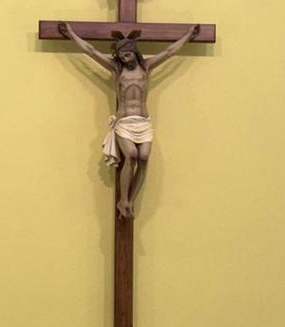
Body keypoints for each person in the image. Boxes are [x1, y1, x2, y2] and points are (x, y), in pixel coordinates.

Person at [57, 22, 200, 220]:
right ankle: (123, 199)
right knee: (131, 155)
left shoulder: (146, 67)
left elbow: (169, 52)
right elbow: (90, 51)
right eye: (121, 56)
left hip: (143, 122)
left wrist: (188, 35)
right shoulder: (117, 69)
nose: (124, 58)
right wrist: (71, 34)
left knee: (144, 158)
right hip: (124, 122)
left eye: (127, 54)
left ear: (134, 52)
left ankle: (129, 201)